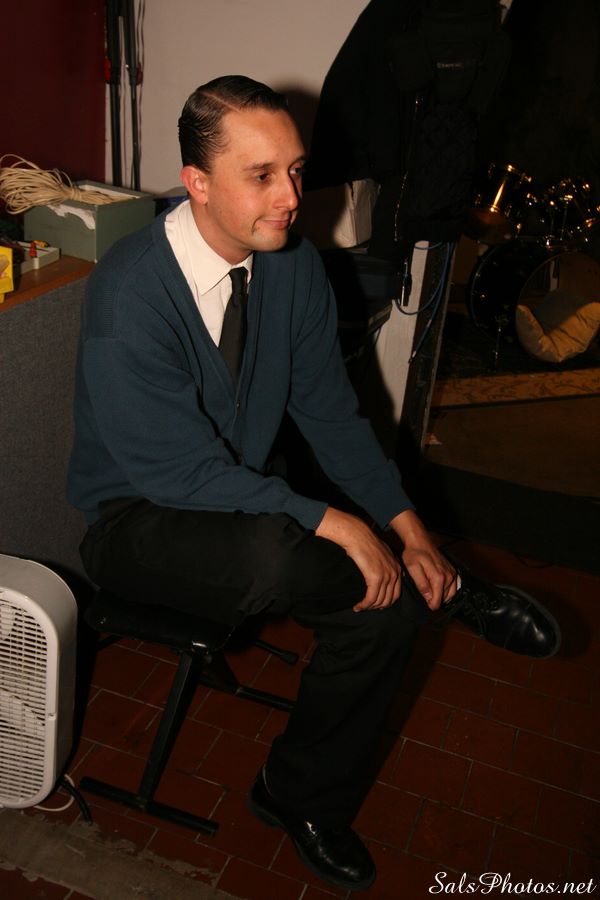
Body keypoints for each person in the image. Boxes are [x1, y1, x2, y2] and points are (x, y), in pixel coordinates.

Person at [67, 75, 558, 892]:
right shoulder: (130, 293)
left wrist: (408, 528)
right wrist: (336, 521)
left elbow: (331, 414)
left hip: (247, 499)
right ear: (197, 184)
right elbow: (178, 470)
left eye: (295, 170)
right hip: (137, 517)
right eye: (261, 175)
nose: (292, 197)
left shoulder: (290, 264)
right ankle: (451, 594)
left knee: (387, 609)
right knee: (281, 544)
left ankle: (298, 795)